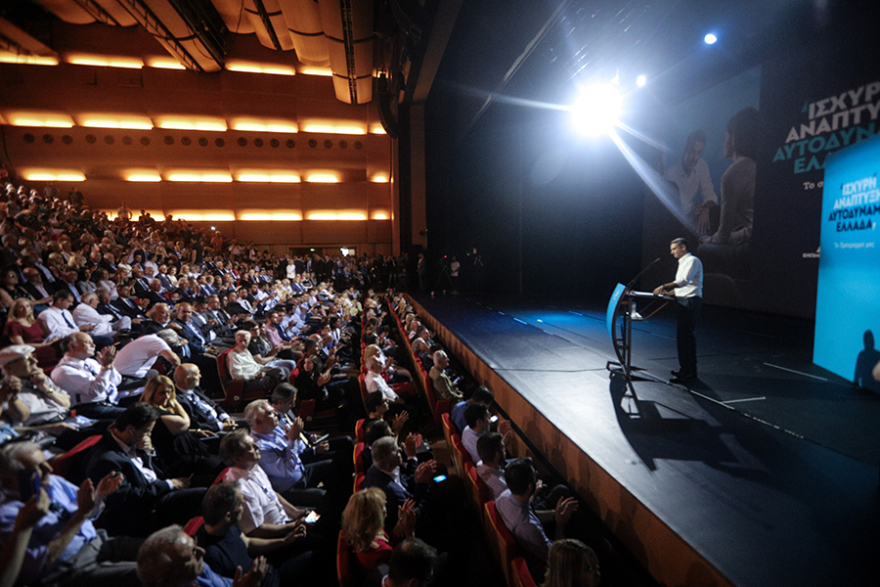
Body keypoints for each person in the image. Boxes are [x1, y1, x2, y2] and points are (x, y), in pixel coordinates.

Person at [0, 441, 141, 587]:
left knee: (160, 548)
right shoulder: (7, 514)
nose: (49, 468)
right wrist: (81, 516)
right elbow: (41, 564)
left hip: (100, 541)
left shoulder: (54, 482)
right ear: (8, 481)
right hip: (72, 568)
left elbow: (89, 513)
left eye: (46, 462)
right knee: (155, 572)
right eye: (37, 468)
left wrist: (98, 496)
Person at [82, 403, 206, 537]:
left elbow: (157, 471)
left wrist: (149, 451)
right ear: (130, 430)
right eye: (147, 431)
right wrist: (169, 484)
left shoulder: (133, 442)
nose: (149, 435)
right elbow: (129, 498)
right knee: (206, 497)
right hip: (148, 509)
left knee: (206, 479)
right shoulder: (106, 460)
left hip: (157, 490)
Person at [197, 482, 314, 587]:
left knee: (313, 556)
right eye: (239, 504)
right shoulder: (211, 556)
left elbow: (248, 542)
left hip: (268, 572)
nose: (243, 507)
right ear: (227, 516)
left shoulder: (227, 525)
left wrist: (285, 541)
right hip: (263, 583)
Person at [496, 458, 578, 581]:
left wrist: (554, 514)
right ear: (530, 486)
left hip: (530, 543)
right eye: (535, 476)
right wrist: (560, 525)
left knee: (561, 490)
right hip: (544, 567)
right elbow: (554, 557)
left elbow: (530, 513)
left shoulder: (504, 496)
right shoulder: (530, 528)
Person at [140, 375, 225, 486]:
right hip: (178, 458)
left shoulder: (164, 408)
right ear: (151, 393)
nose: (167, 396)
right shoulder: (153, 412)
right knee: (217, 466)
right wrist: (174, 401)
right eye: (162, 393)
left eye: (169, 392)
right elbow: (184, 423)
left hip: (192, 448)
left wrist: (195, 431)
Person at [136, 525, 266, 587]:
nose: (202, 552)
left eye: (195, 545)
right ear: (167, 579)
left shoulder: (200, 570)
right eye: (191, 554)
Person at [653, 237, 703, 383]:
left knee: (686, 337)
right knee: (682, 337)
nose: (672, 252)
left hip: (691, 302)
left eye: (674, 249)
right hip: (683, 300)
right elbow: (682, 287)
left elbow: (683, 282)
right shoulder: (682, 263)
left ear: (683, 247)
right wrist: (668, 293)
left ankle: (689, 371)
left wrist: (664, 287)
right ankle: (685, 369)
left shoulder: (692, 260)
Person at [342, 487, 415, 577]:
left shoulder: (364, 529)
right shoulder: (382, 552)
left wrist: (399, 525)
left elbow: (389, 540)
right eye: (382, 505)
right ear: (375, 516)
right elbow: (408, 567)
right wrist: (410, 532)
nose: (385, 505)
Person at [664, 130, 718, 236]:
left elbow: (710, 194)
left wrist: (706, 208)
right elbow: (670, 217)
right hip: (675, 225)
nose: (695, 158)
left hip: (693, 218)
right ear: (684, 149)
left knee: (717, 212)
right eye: (692, 152)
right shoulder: (670, 175)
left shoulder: (702, 165)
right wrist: (691, 215)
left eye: (699, 152)